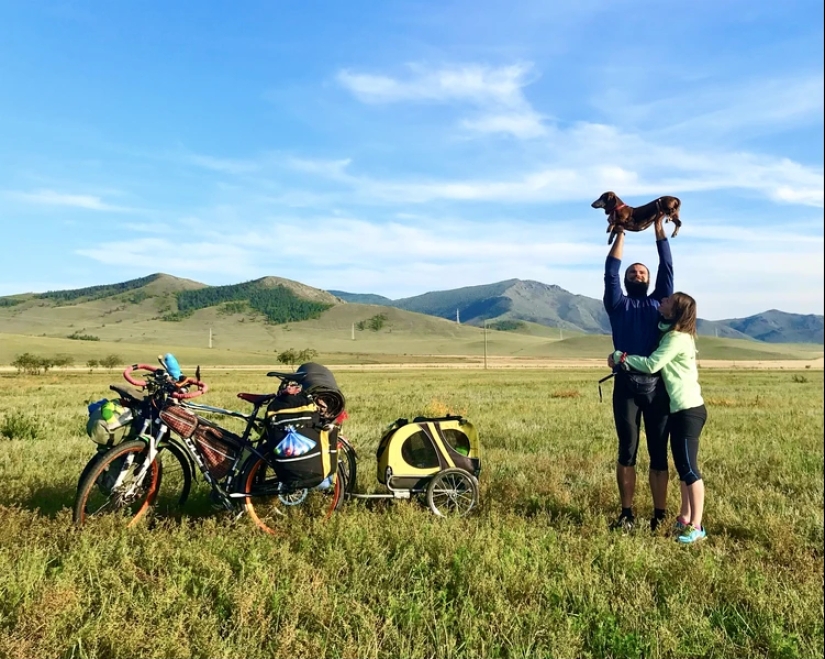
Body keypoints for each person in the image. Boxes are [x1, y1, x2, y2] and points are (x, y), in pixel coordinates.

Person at [612, 292, 708, 544]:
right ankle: (684, 518)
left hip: (688, 410)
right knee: (682, 466)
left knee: (689, 469)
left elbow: (653, 364)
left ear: (674, 310)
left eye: (667, 301)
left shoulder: (675, 338)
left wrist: (622, 357)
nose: (661, 301)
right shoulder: (673, 334)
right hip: (679, 409)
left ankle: (697, 526)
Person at [604, 216, 673, 531]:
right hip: (626, 388)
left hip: (658, 387)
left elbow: (667, 268)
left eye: (642, 271)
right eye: (633, 271)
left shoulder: (660, 302)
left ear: (648, 279)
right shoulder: (617, 304)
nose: (637, 273)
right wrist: (621, 233)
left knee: (659, 453)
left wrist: (659, 229)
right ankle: (627, 514)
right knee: (627, 450)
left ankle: (659, 516)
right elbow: (611, 272)